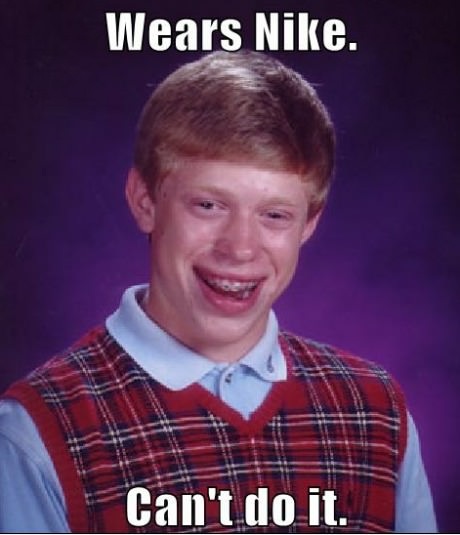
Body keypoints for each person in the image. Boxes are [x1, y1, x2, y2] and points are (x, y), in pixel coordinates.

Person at [0, 51, 437, 533]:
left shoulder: (376, 413)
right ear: (145, 201)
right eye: (208, 205)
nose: (240, 248)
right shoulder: (37, 433)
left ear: (309, 224)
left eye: (274, 215)